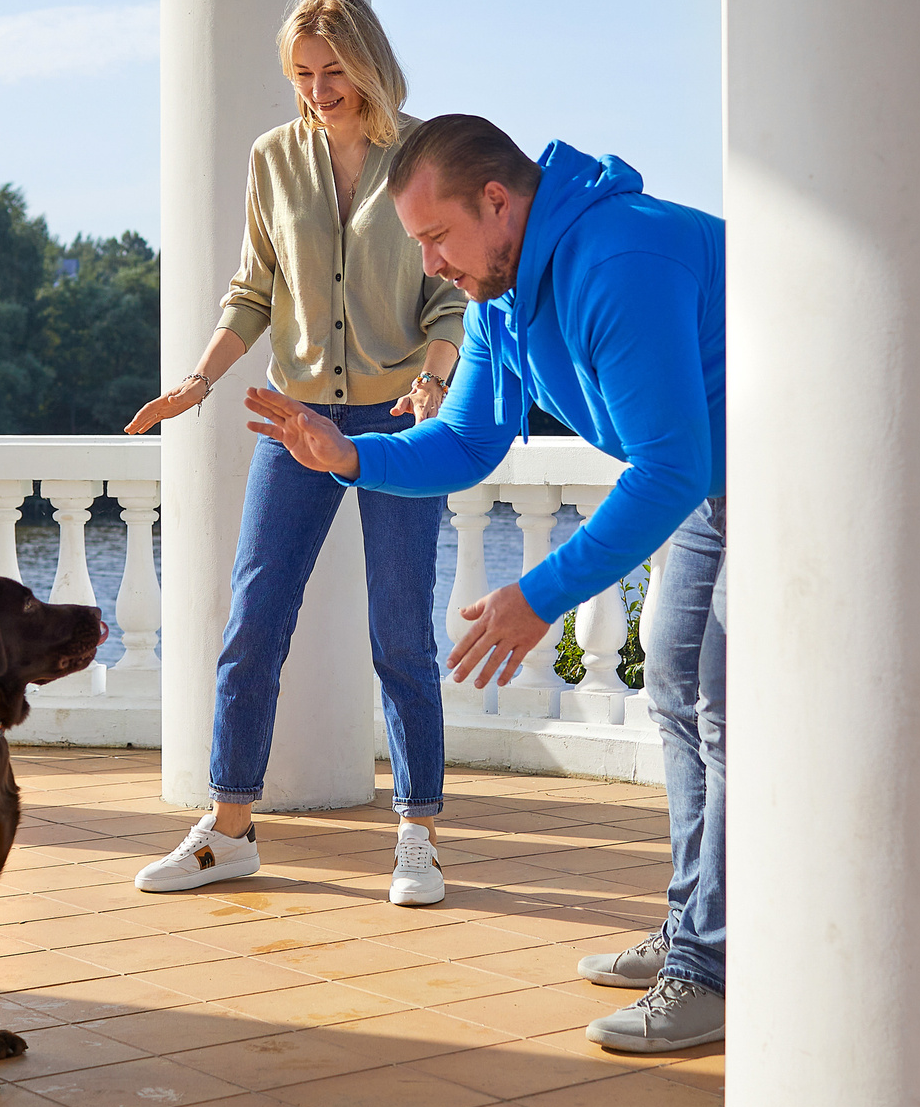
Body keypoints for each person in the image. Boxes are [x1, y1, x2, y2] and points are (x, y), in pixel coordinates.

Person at [245, 113, 727, 1053]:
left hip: (789, 471)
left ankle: (710, 964)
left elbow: (667, 467)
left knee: (721, 706)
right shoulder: (505, 298)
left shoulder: (615, 262)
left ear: (497, 202)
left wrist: (537, 594)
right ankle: (698, 933)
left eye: (436, 238)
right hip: (717, 479)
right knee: (676, 689)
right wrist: (349, 453)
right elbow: (467, 439)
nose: (430, 265)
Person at [125, 0, 468, 907]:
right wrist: (197, 380)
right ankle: (229, 830)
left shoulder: (422, 155)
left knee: (401, 631)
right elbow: (253, 289)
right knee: (253, 621)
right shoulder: (272, 159)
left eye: (334, 72)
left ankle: (417, 835)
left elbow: (450, 295)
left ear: (367, 62)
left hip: (401, 420)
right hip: (298, 415)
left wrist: (433, 384)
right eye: (304, 76)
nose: (320, 91)